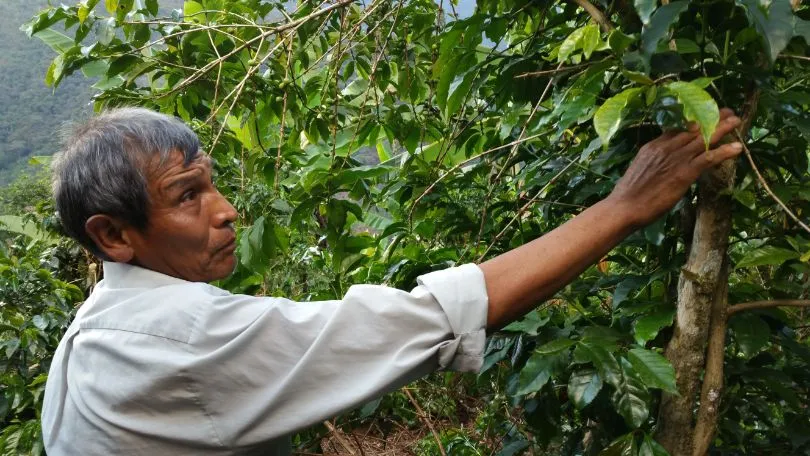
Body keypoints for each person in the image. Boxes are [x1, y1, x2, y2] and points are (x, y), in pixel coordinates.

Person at [41, 107, 743, 455]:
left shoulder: (98, 328)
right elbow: (428, 319)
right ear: (114, 235)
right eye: (189, 194)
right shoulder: (176, 337)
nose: (226, 210)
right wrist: (625, 207)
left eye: (213, 184)